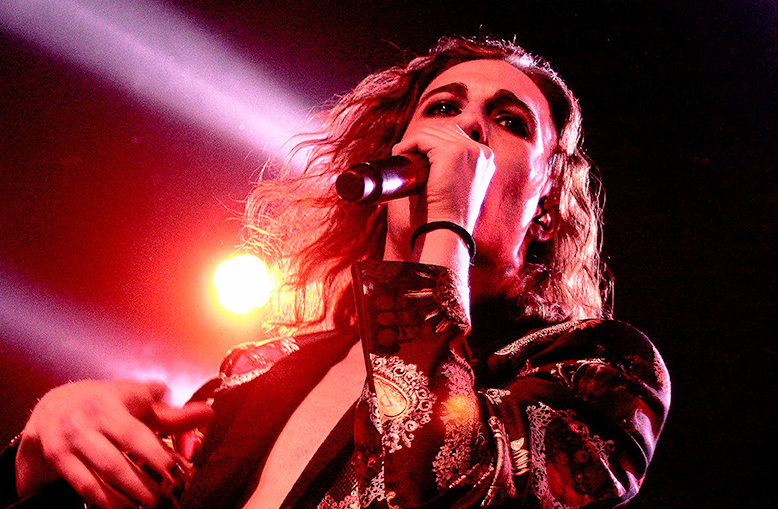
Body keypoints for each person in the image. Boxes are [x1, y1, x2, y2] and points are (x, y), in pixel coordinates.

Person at [1, 36, 670, 509]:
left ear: (545, 210)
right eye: (443, 108)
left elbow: (438, 484)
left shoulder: (601, 372)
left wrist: (447, 227)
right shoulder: (260, 369)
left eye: (508, 121)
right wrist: (42, 459)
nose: (466, 127)